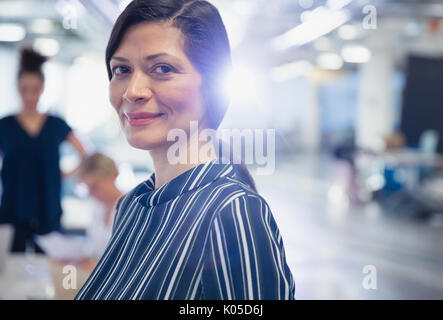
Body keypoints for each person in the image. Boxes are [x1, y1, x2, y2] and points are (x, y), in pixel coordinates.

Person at [75, 0, 295, 300]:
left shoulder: (231, 211)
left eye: (163, 68)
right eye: (122, 69)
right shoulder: (131, 207)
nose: (132, 90)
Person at [0, 46, 87, 253]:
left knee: (51, 270)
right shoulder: (5, 126)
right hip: (13, 209)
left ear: (43, 88)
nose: (30, 96)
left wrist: (65, 174)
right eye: (24, 89)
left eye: (35, 89)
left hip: (48, 210)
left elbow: (85, 154)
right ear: (17, 88)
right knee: (10, 272)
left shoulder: (56, 125)